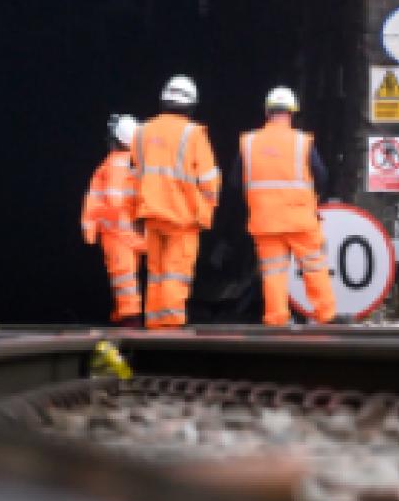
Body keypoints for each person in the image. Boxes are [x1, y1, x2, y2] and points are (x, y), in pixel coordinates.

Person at [235, 87, 336, 327]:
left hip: (265, 219)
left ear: (267, 112)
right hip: (300, 218)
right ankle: (325, 314)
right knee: (314, 266)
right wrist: (314, 197)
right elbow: (322, 175)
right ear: (292, 113)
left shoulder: (249, 142)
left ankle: (276, 318)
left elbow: (234, 179)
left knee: (273, 273)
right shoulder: (301, 142)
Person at [132, 76, 220, 330]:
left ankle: (155, 325)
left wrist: (137, 214)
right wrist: (205, 213)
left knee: (157, 275)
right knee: (175, 274)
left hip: (151, 213)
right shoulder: (194, 134)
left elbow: (136, 175)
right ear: (191, 105)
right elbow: (209, 180)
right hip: (182, 216)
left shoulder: (142, 131)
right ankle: (170, 326)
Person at [81, 115, 144, 324]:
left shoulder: (111, 166)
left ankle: (128, 318)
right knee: (130, 277)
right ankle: (123, 316)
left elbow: (95, 200)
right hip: (138, 235)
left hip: (117, 235)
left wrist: (90, 232)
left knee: (124, 279)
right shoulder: (142, 164)